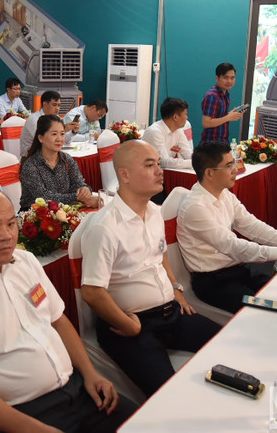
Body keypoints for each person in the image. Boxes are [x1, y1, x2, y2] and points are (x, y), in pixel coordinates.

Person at [0, 185, 136, 432]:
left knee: (144, 423)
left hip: (76, 391)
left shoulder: (25, 262)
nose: (6, 235)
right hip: (20, 415)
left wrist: (90, 374)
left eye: (11, 224)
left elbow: (58, 321)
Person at [81, 140, 221, 396]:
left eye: (158, 163)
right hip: (130, 325)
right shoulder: (105, 227)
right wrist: (129, 325)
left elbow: (160, 255)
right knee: (169, 395)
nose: (160, 170)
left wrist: (177, 288)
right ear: (124, 175)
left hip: (171, 314)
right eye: (149, 165)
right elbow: (91, 291)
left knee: (225, 343)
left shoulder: (155, 211)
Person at [177, 142, 277, 313]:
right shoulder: (195, 207)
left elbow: (252, 226)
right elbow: (233, 247)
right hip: (213, 282)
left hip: (238, 270)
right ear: (209, 173)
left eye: (234, 163)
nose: (235, 169)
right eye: (228, 166)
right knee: (265, 310)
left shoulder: (224, 194)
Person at [19, 115, 96, 210]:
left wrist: (85, 190)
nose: (59, 139)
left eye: (62, 134)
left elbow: (78, 183)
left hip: (63, 212)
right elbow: (45, 198)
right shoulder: (31, 165)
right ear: (41, 138)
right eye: (54, 134)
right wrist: (79, 197)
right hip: (35, 218)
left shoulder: (67, 159)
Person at [20, 90, 78, 157]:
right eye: (54, 105)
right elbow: (43, 141)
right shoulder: (34, 119)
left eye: (59, 105)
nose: (57, 108)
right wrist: (63, 130)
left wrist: (73, 131)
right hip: (30, 157)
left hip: (49, 155)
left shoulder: (57, 118)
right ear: (45, 104)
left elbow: (65, 141)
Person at [142, 97, 193, 169]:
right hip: (146, 173)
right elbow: (164, 162)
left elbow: (188, 154)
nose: (186, 118)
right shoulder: (155, 132)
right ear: (175, 117)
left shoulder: (178, 130)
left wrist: (198, 161)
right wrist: (193, 163)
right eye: (185, 114)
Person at [201, 63, 244, 144]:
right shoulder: (212, 96)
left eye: (232, 78)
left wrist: (231, 114)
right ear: (217, 78)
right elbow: (206, 123)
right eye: (225, 78)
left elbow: (218, 116)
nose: (229, 81)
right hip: (211, 144)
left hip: (222, 141)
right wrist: (228, 117)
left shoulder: (225, 94)